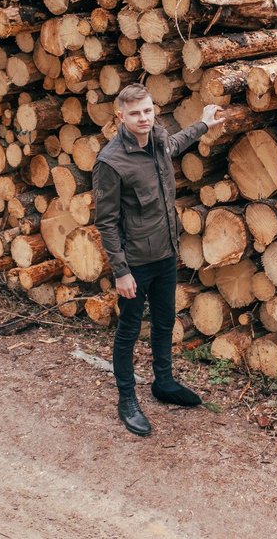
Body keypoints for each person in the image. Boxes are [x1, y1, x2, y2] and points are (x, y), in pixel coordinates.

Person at [92, 83, 224, 437]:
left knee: (166, 322)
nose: (144, 118)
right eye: (135, 113)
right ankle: (127, 401)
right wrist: (121, 271)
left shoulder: (157, 139)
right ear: (120, 116)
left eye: (148, 111)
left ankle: (163, 383)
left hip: (166, 254)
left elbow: (175, 145)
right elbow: (105, 221)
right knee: (129, 332)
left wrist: (204, 124)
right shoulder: (111, 161)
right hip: (135, 263)